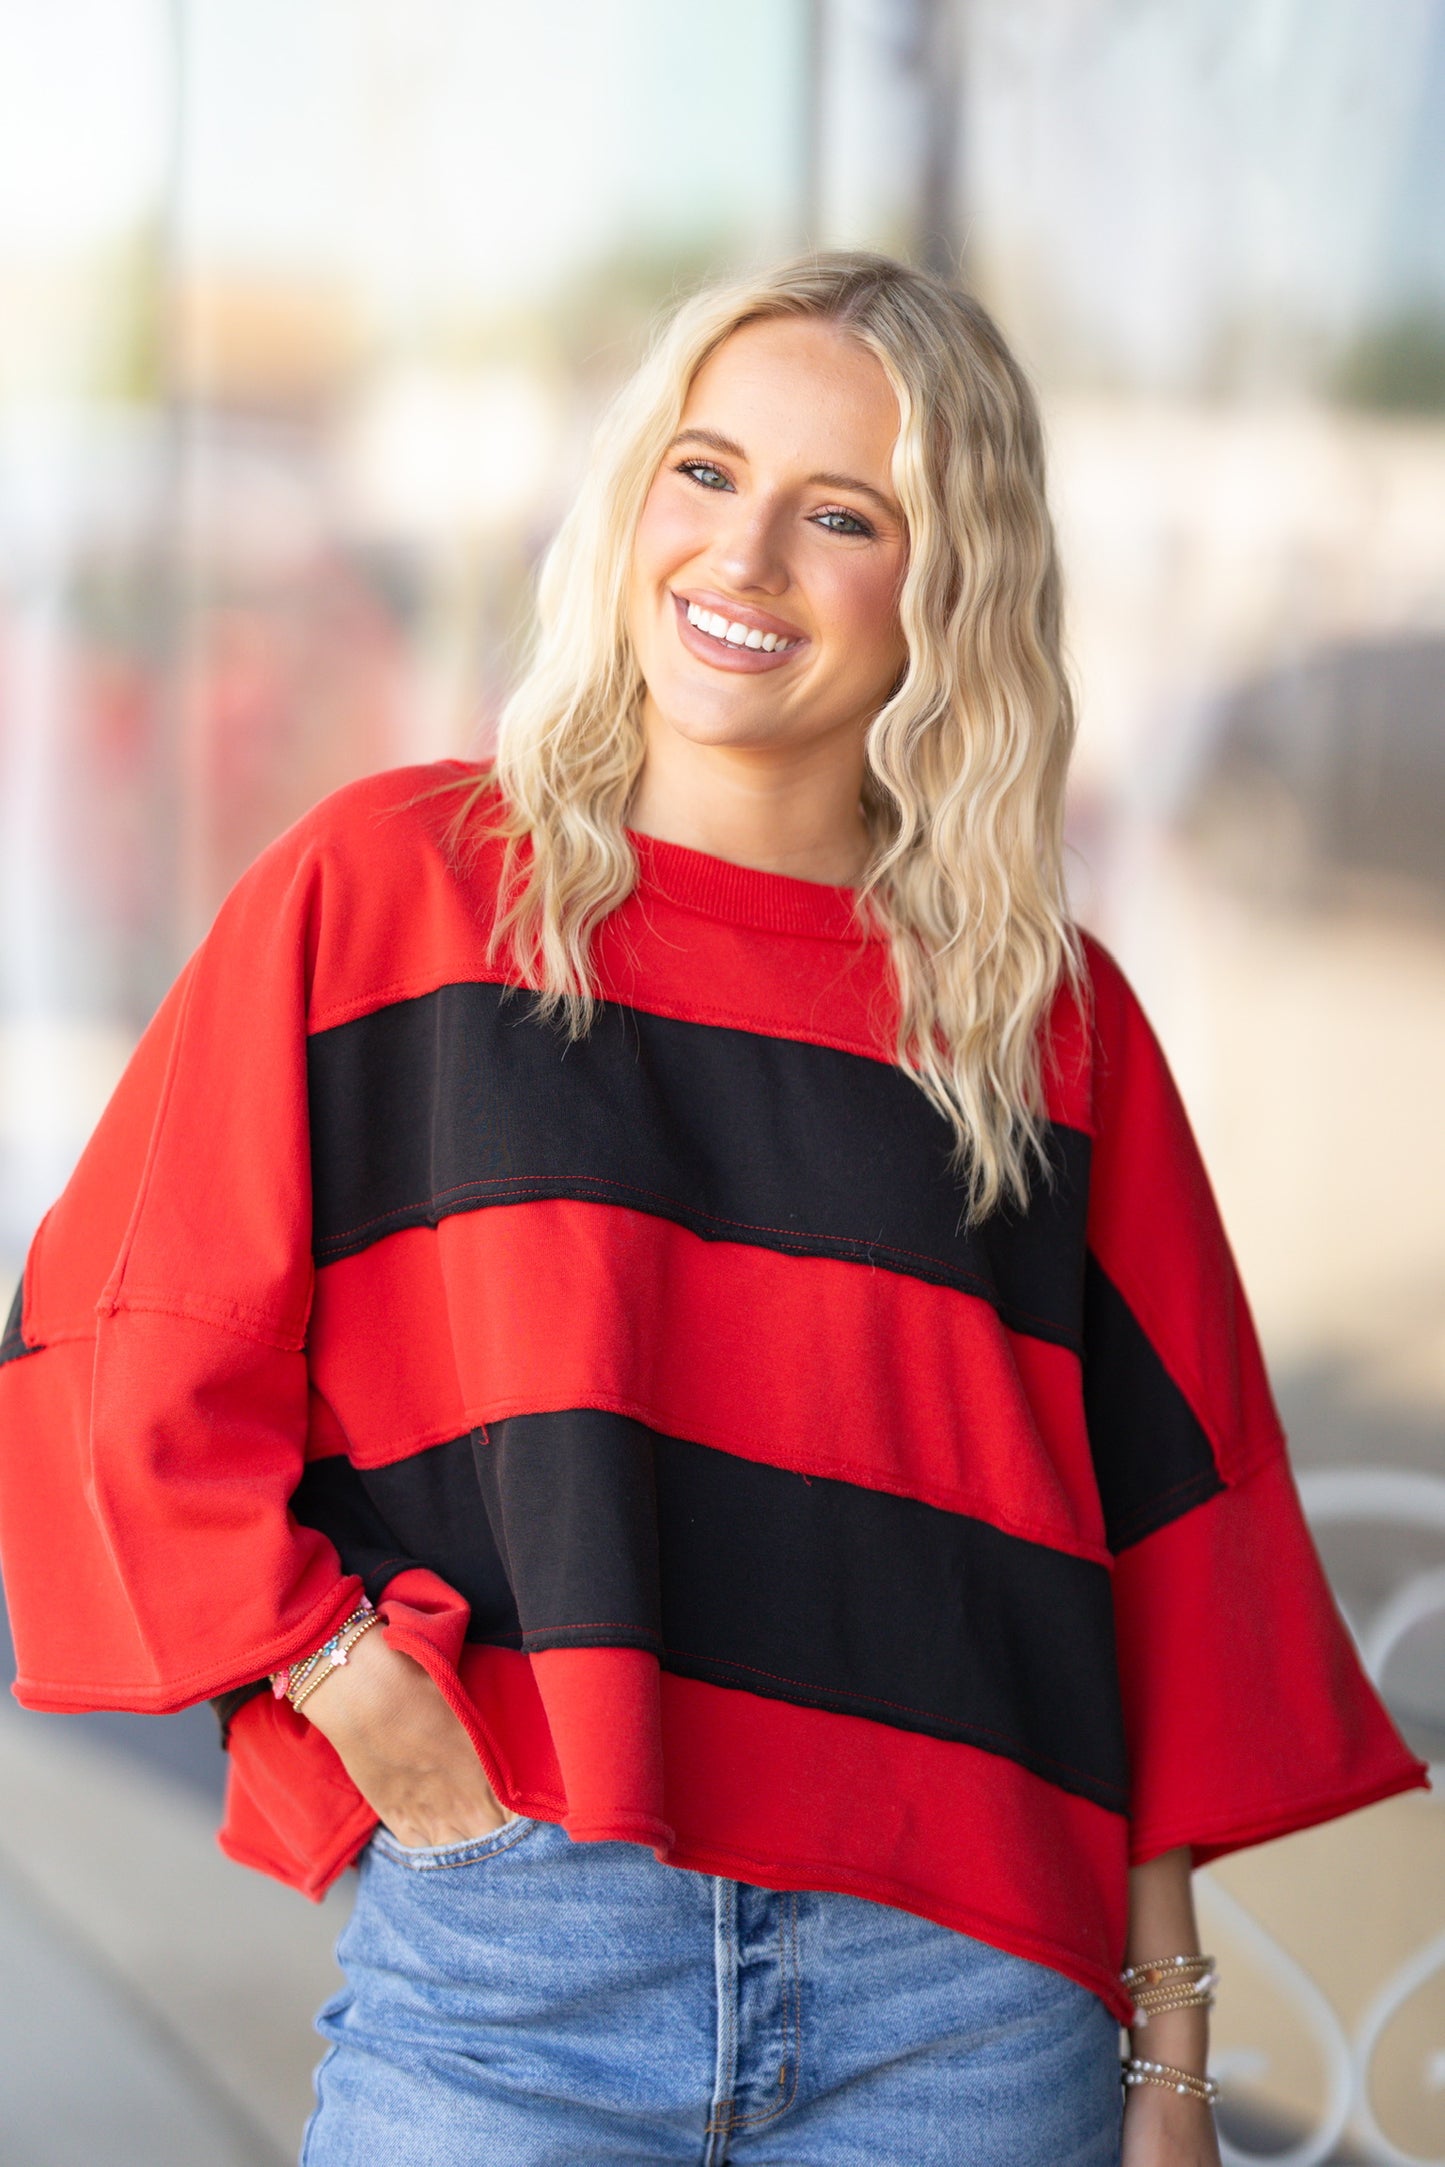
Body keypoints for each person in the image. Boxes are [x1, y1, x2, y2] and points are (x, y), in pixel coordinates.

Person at [0, 250, 1427, 2167]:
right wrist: (346, 1684)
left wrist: (1168, 2052)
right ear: (631, 504)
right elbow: (115, 1345)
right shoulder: (396, 896)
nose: (741, 560)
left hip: (965, 2011)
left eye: (836, 515)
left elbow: (1162, 1550)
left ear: (943, 592)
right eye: (703, 473)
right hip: (517, 1965)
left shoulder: (1043, 1021)